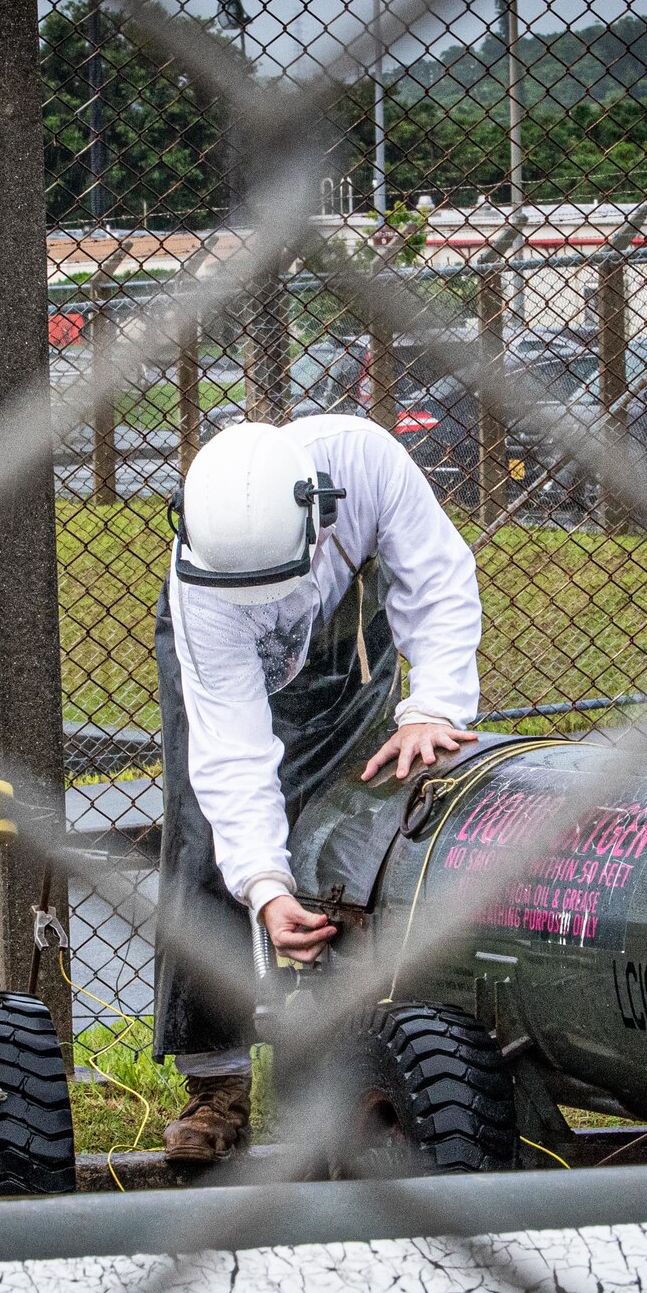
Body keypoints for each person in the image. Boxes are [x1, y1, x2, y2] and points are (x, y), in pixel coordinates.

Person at [152, 414, 483, 1164]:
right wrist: (264, 886)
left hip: (343, 644)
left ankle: (344, 1060)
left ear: (318, 514)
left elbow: (436, 579)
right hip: (223, 658)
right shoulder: (203, 591)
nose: (262, 601)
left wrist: (433, 708)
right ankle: (217, 1083)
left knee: (358, 825)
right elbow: (233, 751)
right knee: (206, 833)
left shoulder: (366, 464)